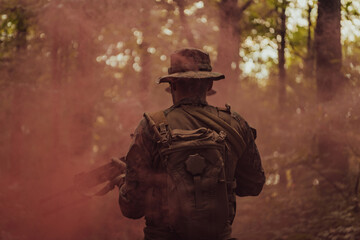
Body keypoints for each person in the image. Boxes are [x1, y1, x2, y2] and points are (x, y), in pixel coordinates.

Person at [118, 48, 265, 240]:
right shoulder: (235, 124)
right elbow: (253, 186)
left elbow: (132, 208)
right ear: (209, 82)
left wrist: (123, 183)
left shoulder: (150, 126)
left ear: (172, 84)